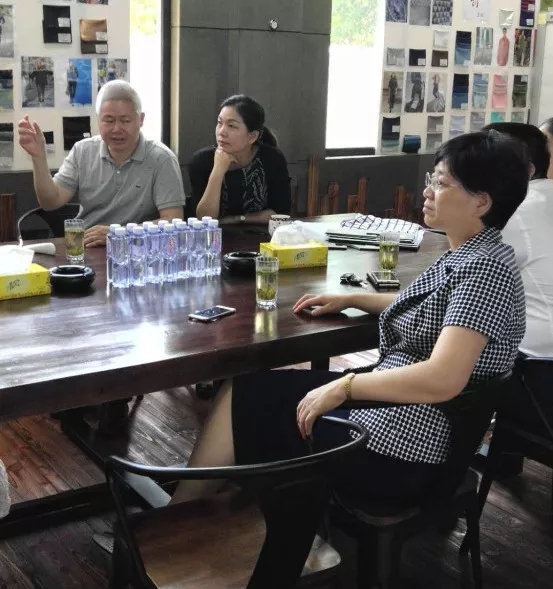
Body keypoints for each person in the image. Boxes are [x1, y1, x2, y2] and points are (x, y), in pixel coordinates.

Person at [171, 130, 528, 505]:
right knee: (245, 391)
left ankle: (178, 521)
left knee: (243, 399)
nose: (427, 191)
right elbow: (429, 306)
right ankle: (212, 507)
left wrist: (345, 387)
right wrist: (352, 298)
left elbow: (443, 378)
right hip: (400, 415)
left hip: (401, 446)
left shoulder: (484, 272)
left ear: (481, 202)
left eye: (441, 183)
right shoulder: (476, 255)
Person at [18, 80, 186, 247]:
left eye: (125, 121)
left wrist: (120, 234)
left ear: (140, 120)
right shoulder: (82, 151)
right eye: (109, 120)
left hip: (137, 249)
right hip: (86, 246)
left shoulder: (162, 158)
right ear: (98, 120)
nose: (117, 129)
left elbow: (173, 220)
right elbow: (50, 202)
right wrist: (38, 158)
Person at [484, 122, 553, 437]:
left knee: (460, 350)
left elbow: (465, 289)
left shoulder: (516, 211)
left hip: (537, 377)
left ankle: (445, 452)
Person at [188, 94, 291, 224]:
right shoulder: (202, 161)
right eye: (219, 123)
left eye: (231, 126)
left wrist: (236, 219)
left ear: (252, 137)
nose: (221, 132)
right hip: (216, 236)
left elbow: (280, 214)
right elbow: (203, 219)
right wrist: (217, 171)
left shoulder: (272, 158)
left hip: (263, 235)